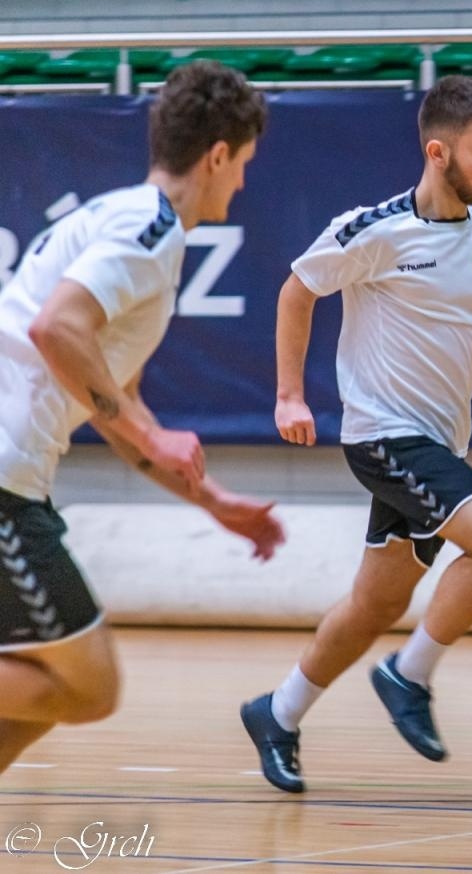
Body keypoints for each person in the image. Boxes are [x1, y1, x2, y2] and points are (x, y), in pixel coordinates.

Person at [241, 74, 472, 794]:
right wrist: (290, 396)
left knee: (376, 604)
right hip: (384, 436)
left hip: (441, 445)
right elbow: (297, 290)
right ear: (439, 152)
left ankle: (278, 712)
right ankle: (407, 674)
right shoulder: (376, 231)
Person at [0, 60, 283, 774]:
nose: (245, 182)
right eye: (245, 164)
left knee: (50, 694)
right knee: (87, 685)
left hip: (16, 477)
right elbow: (56, 331)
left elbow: (117, 403)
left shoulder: (128, 220)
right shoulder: (149, 232)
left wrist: (212, 500)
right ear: (217, 156)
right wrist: (151, 432)